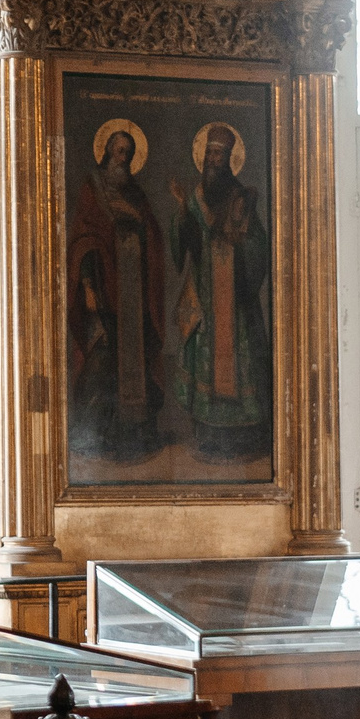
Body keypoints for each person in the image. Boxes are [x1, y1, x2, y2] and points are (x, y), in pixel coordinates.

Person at [170, 121, 273, 465]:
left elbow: (260, 243)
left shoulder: (241, 197)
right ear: (203, 157)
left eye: (220, 155)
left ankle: (242, 437)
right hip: (206, 295)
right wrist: (183, 211)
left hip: (235, 301)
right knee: (207, 363)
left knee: (240, 364)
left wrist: (243, 242)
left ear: (230, 159)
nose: (214, 160)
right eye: (209, 154)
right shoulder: (197, 197)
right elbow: (185, 243)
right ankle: (209, 437)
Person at [67, 122, 167, 466]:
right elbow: (83, 237)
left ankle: (135, 434)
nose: (121, 158)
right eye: (117, 150)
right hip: (104, 287)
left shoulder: (135, 194)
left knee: (134, 359)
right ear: (106, 151)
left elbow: (153, 235)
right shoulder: (92, 188)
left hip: (133, 291)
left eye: (127, 153)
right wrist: (89, 287)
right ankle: (95, 433)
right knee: (103, 357)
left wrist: (138, 222)